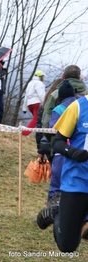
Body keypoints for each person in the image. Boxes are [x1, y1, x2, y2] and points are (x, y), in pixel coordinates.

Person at [42, 85, 88, 252]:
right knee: (67, 245)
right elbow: (58, 142)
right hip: (77, 181)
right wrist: (74, 152)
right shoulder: (78, 106)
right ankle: (56, 212)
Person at [42, 65, 88, 130]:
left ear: (63, 76)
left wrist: (52, 138)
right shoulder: (86, 94)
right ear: (79, 77)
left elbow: (46, 118)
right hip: (83, 137)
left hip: (59, 135)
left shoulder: (55, 94)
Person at [35, 78, 63, 164]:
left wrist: (40, 150)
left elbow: (39, 127)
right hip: (59, 142)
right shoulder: (62, 106)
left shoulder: (44, 104)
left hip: (46, 143)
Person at [22, 70, 46, 135]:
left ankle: (36, 133)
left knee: (37, 120)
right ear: (41, 76)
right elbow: (41, 94)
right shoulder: (39, 83)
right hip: (36, 103)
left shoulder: (30, 83)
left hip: (29, 104)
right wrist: (45, 103)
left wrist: (24, 108)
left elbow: (26, 96)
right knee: (36, 119)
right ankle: (25, 133)